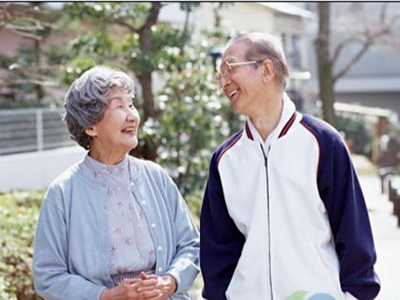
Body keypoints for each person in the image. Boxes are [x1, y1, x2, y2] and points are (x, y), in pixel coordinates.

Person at [200, 33, 380, 300]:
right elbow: (218, 250)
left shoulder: (322, 142)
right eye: (220, 75)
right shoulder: (226, 159)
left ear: (266, 69)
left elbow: (353, 231)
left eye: (230, 68)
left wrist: (356, 295)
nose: (224, 81)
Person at [33, 66, 200, 300]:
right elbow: (47, 276)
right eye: (119, 106)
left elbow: (192, 245)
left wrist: (169, 281)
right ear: (90, 126)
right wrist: (107, 295)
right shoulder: (62, 193)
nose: (132, 115)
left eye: (131, 104)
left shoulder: (156, 177)